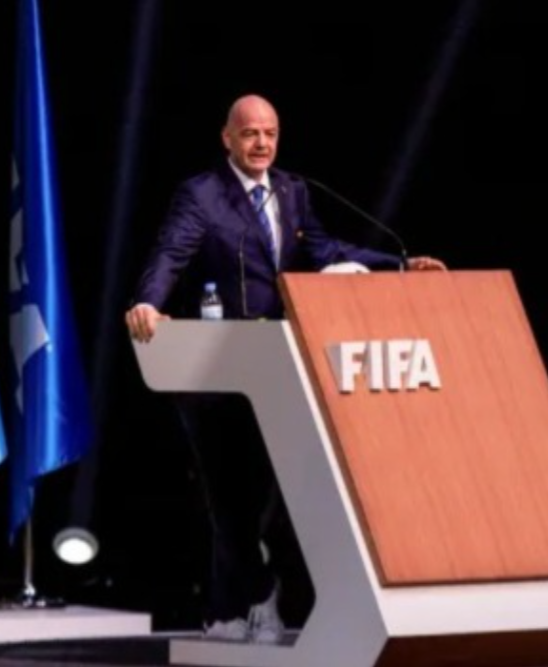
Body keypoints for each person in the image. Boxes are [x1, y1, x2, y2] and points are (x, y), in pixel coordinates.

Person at [125, 94, 445, 643]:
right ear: (227, 137)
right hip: (216, 368)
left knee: (257, 496)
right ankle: (260, 591)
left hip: (279, 367)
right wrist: (147, 302)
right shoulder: (202, 194)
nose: (261, 143)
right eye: (250, 133)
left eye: (270, 133)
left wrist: (397, 265)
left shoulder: (292, 191)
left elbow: (324, 250)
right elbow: (170, 254)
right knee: (226, 493)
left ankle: (227, 610)